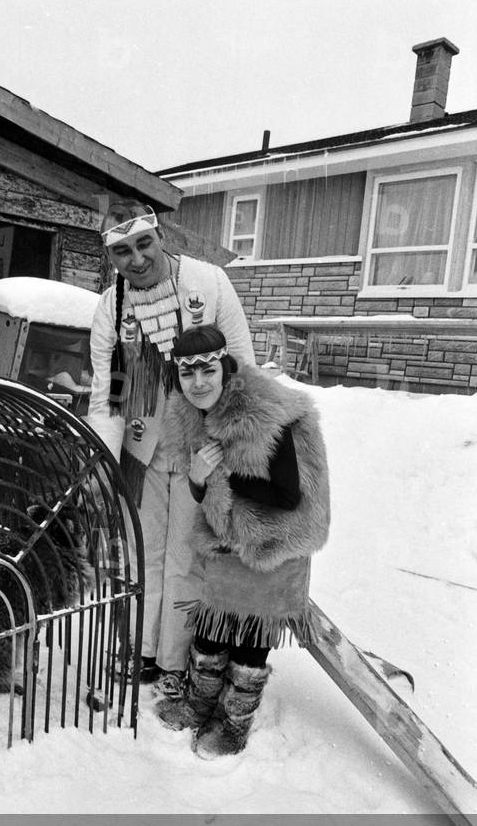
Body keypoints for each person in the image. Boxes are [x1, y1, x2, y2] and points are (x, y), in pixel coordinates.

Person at [87, 200, 255, 697]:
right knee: (143, 552)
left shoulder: (207, 282)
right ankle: (140, 649)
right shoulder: (108, 309)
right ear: (111, 258)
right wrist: (104, 463)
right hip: (143, 446)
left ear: (160, 236)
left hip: (199, 448)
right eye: (121, 252)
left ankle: (175, 661)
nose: (136, 260)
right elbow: (106, 395)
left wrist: (235, 444)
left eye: (143, 244)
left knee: (185, 555)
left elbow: (241, 365)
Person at [156, 324, 330, 757]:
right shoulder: (188, 414)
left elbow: (290, 495)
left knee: (250, 637)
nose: (198, 383)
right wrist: (198, 478)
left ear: (225, 367)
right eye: (187, 373)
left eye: (207, 371)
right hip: (227, 534)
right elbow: (206, 490)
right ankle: (198, 705)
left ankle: (233, 724)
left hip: (274, 540)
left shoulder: (263, 413)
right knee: (213, 630)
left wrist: (226, 474)